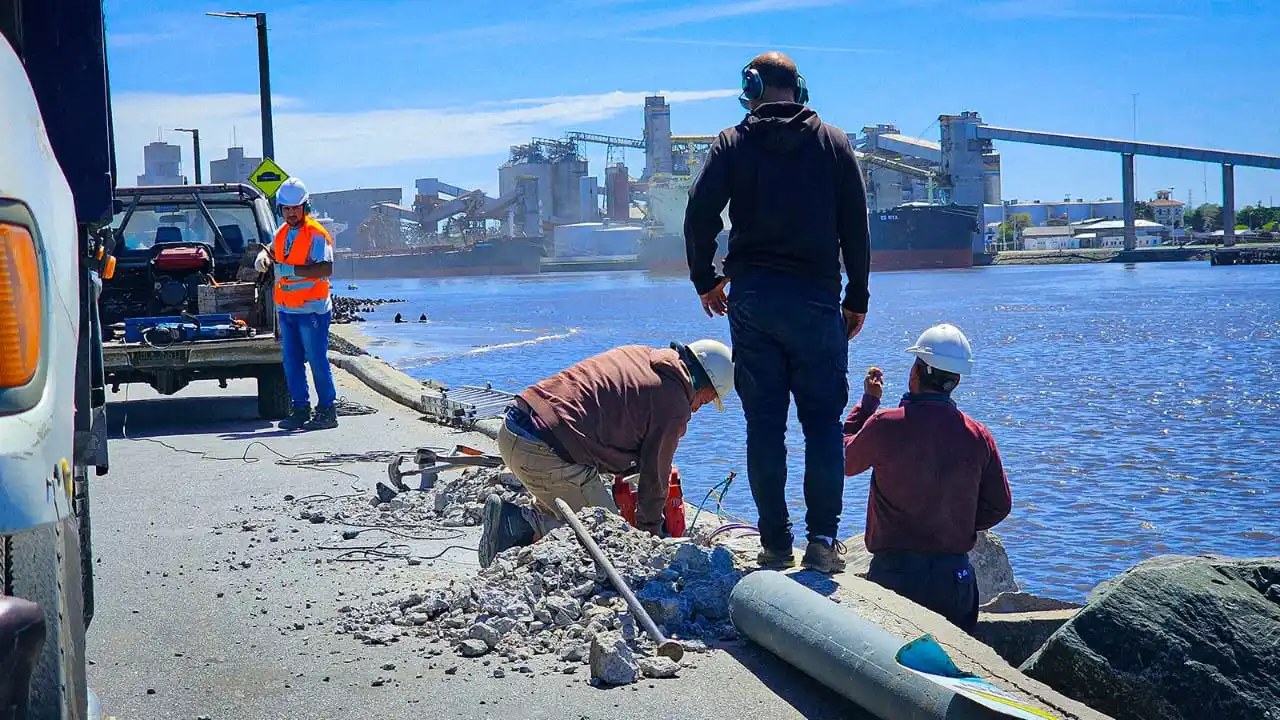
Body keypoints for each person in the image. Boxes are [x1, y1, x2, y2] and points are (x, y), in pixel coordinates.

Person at [683, 50, 872, 573]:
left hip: (753, 303)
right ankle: (822, 542)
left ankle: (773, 545)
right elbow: (856, 226)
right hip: (815, 303)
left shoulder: (732, 143)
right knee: (822, 426)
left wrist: (707, 280)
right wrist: (856, 296)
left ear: (752, 87)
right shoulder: (834, 144)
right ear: (800, 88)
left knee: (764, 429)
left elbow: (699, 214)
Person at [478, 340, 734, 568]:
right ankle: (515, 522)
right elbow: (655, 476)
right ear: (705, 382)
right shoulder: (674, 403)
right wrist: (649, 537)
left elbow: (610, 413)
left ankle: (522, 541)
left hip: (515, 428)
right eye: (708, 400)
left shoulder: (641, 355)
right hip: (543, 450)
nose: (701, 407)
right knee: (609, 537)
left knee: (570, 507)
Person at [842, 324, 1012, 634]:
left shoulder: (885, 424)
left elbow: (844, 461)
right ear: (956, 380)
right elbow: (999, 506)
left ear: (915, 372)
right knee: (955, 670)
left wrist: (867, 404)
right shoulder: (977, 435)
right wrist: (955, 521)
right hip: (954, 580)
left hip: (895, 576)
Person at [254, 177, 339, 431]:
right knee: (291, 361)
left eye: (296, 208)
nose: (291, 214)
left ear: (305, 207)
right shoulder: (281, 233)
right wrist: (264, 257)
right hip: (288, 310)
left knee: (316, 360)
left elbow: (326, 268)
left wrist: (291, 269)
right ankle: (300, 409)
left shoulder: (316, 234)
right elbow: (272, 250)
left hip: (312, 310)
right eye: (287, 209)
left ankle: (327, 411)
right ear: (281, 209)